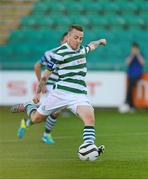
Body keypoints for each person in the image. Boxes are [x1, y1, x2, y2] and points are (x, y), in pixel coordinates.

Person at [13, 25, 106, 154]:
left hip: (79, 95)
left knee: (89, 119)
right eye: (76, 38)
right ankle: (29, 106)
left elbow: (92, 45)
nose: (79, 41)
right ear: (68, 37)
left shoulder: (82, 50)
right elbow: (45, 75)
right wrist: (38, 93)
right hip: (60, 94)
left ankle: (88, 146)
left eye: (81, 38)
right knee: (36, 119)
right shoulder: (58, 54)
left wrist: (100, 41)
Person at [11, 32, 68, 144]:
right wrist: (41, 84)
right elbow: (37, 66)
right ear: (61, 42)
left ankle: (26, 122)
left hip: (61, 87)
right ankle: (46, 134)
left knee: (45, 113)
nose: (67, 43)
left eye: (69, 41)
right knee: (56, 111)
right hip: (51, 85)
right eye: (65, 41)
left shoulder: (72, 54)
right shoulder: (51, 53)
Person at [119, 42, 145, 113]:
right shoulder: (130, 55)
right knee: (130, 87)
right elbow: (127, 62)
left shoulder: (140, 55)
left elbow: (142, 63)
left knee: (130, 86)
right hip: (130, 75)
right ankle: (131, 105)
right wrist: (132, 55)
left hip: (138, 75)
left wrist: (138, 54)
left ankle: (127, 102)